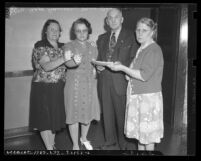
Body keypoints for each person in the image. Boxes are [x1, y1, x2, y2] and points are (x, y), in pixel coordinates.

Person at [107, 17, 164, 151]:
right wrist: (122, 66)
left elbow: (143, 75)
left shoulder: (154, 50)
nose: (140, 33)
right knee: (140, 137)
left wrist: (123, 68)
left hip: (148, 100)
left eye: (144, 30)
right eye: (138, 30)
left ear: (152, 32)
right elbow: (129, 75)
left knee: (148, 139)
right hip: (137, 97)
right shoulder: (141, 49)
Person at [95, 8, 138, 150]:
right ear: (107, 21)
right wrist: (98, 67)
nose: (113, 20)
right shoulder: (101, 38)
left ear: (122, 19)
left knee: (123, 116)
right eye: (110, 18)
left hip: (121, 81)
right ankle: (110, 142)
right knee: (107, 115)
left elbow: (135, 59)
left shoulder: (132, 36)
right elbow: (99, 59)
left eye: (116, 17)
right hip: (104, 82)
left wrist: (123, 66)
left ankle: (125, 145)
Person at [29, 19, 73, 150]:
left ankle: (52, 145)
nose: (55, 31)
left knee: (54, 119)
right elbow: (47, 66)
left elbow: (71, 64)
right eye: (52, 29)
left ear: (60, 32)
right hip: (43, 88)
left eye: (57, 29)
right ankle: (49, 148)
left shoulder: (63, 46)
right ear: (46, 31)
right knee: (45, 120)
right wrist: (64, 58)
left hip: (59, 87)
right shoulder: (40, 45)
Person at [63, 18, 100, 150]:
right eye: (78, 31)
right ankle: (75, 145)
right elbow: (67, 63)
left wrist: (99, 68)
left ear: (88, 31)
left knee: (87, 114)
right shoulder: (68, 46)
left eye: (84, 30)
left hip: (90, 85)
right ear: (74, 32)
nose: (82, 33)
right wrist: (74, 62)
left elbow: (95, 64)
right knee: (73, 116)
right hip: (74, 86)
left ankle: (84, 138)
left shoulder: (93, 47)